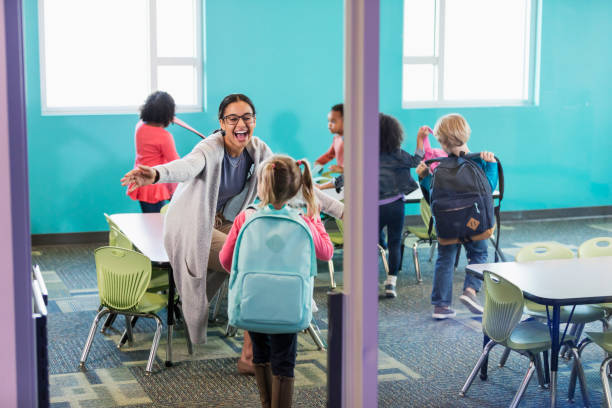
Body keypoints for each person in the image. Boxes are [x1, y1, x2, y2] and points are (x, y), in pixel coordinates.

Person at [120, 94, 344, 375]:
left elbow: (294, 183)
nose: (241, 124)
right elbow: (186, 167)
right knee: (251, 258)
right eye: (232, 118)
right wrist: (154, 175)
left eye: (247, 117)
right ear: (222, 123)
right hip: (192, 223)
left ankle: (270, 328)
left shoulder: (259, 151)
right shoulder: (209, 148)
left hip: (225, 221)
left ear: (253, 121)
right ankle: (251, 356)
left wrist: (343, 212)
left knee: (256, 253)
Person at [219, 155, 333, 408]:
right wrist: (314, 220)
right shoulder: (304, 218)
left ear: (261, 185)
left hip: (253, 301)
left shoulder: (245, 217)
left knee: (261, 354)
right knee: (284, 361)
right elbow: (326, 252)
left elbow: (226, 262)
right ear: (295, 186)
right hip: (289, 305)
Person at [415, 113, 498, 319]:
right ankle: (470, 291)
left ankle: (441, 306)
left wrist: (423, 177)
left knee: (445, 259)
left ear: (441, 142)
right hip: (476, 223)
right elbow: (488, 189)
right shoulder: (478, 162)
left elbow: (430, 197)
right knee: (478, 255)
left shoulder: (439, 168)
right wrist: (492, 165)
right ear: (466, 134)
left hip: (448, 226)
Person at [127, 91, 180, 213]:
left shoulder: (140, 126)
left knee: (151, 219)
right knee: (157, 221)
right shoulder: (164, 136)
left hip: (142, 180)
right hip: (154, 183)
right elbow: (175, 162)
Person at [313, 103, 344, 174]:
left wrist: (342, 170)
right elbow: (329, 155)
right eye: (328, 121)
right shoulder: (336, 138)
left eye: (333, 121)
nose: (329, 124)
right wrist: (319, 162)